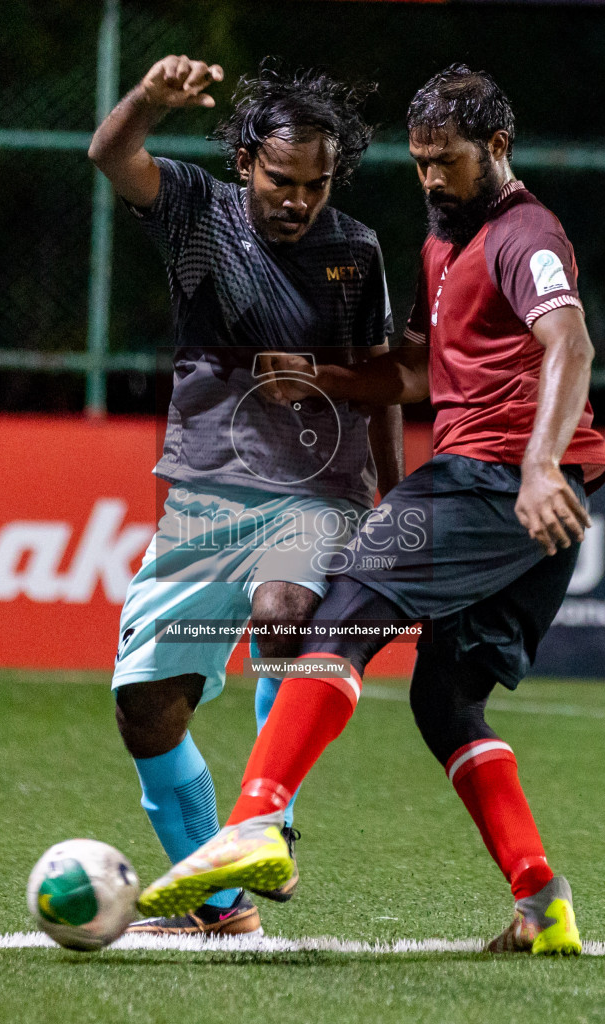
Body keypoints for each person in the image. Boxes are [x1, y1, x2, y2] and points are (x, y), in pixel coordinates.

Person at [137, 65, 605, 957]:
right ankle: (542, 900)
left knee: (338, 615)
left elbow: (570, 340)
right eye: (420, 161)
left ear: (498, 149)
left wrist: (541, 463)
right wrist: (316, 376)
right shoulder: (446, 245)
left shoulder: (523, 233)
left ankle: (257, 824)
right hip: (512, 499)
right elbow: (411, 376)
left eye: (448, 162)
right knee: (446, 701)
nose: (431, 179)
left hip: (495, 480)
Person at [88, 56, 403, 937]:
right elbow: (111, 156)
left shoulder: (357, 251)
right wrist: (150, 99)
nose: (297, 199)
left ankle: (265, 821)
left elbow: (381, 380)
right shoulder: (196, 213)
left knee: (284, 609)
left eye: (315, 183)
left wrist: (392, 499)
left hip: (318, 489)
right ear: (243, 164)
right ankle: (220, 907)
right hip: (207, 498)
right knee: (146, 705)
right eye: (280, 180)